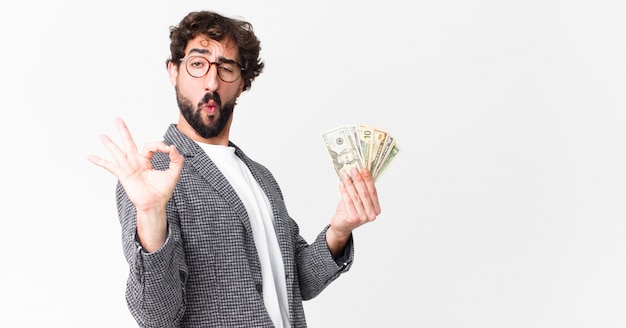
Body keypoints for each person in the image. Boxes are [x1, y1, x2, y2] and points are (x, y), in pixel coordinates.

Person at [88, 10, 381, 328]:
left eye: (226, 68)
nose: (211, 82)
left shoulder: (261, 177)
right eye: (198, 64)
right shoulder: (152, 176)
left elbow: (298, 281)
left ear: (242, 84)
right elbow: (156, 316)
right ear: (174, 71)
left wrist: (338, 231)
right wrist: (150, 214)